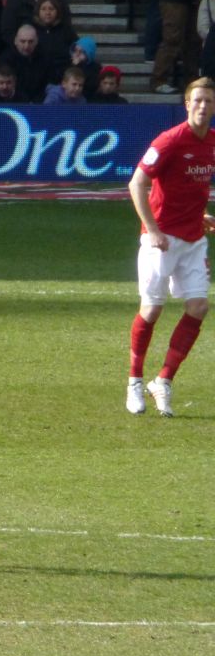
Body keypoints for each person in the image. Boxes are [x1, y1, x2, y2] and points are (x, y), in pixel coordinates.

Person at [125, 78, 215, 417]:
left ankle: (163, 380)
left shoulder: (212, 143)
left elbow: (190, 185)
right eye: (197, 100)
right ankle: (134, 380)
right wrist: (153, 229)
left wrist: (200, 213)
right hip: (160, 240)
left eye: (208, 101)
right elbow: (137, 183)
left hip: (193, 239)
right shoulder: (170, 140)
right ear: (187, 104)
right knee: (151, 311)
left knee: (198, 307)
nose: (203, 106)